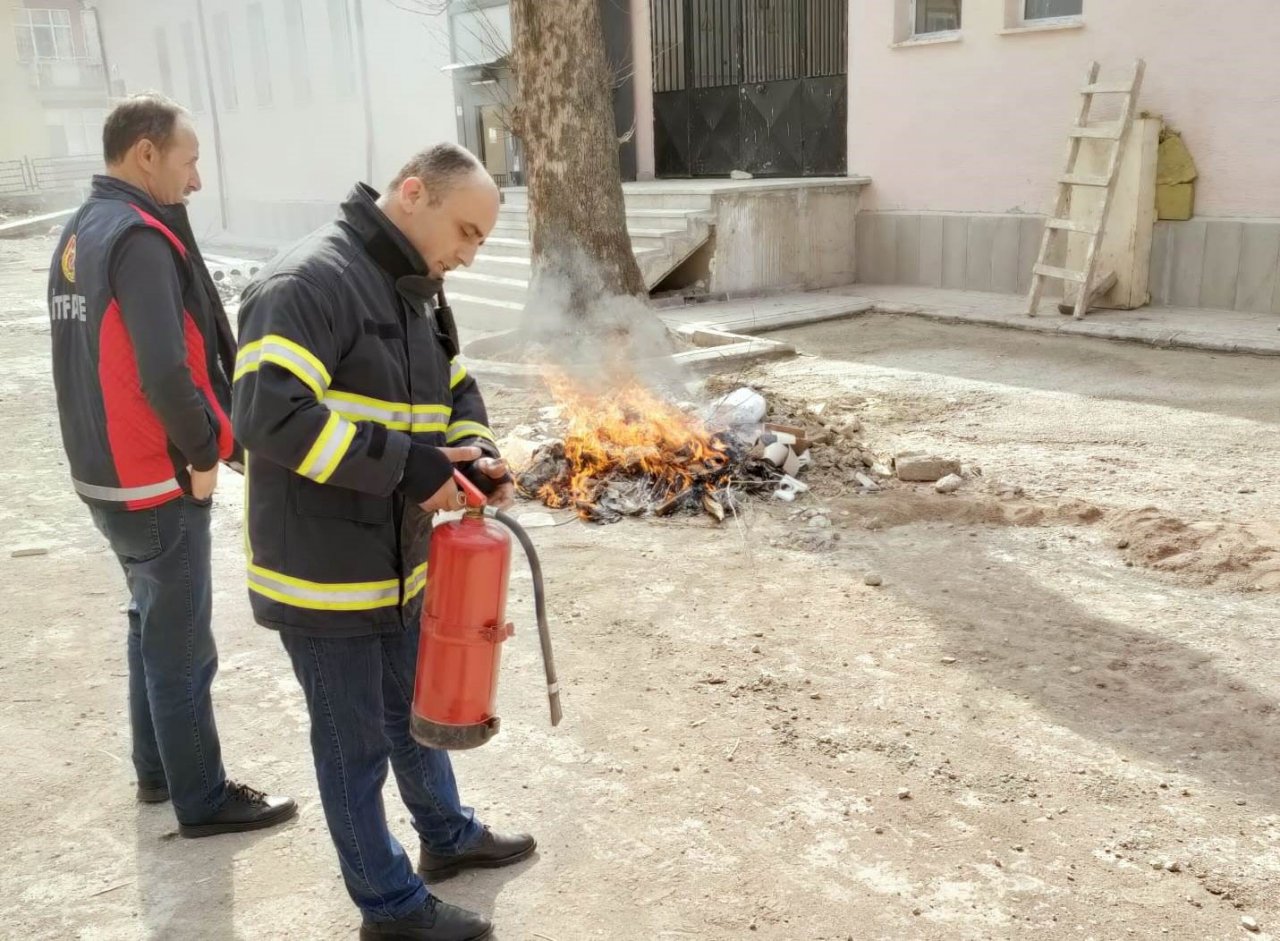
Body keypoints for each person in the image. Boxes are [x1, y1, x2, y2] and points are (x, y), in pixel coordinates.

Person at [232, 143, 532, 941]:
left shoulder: (419, 289)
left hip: (400, 559)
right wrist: (409, 466)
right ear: (412, 194)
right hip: (323, 574)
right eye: (464, 232)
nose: (468, 256)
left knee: (418, 710)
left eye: (479, 241)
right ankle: (389, 907)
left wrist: (477, 456)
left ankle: (447, 836)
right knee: (353, 745)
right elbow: (269, 417)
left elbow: (455, 384)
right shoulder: (306, 283)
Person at [47, 93, 296, 837]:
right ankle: (204, 796)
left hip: (102, 473)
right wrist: (201, 453)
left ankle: (158, 772)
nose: (195, 181)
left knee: (149, 623)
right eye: (188, 162)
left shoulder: (80, 230)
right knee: (184, 645)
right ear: (146, 153)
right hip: (153, 475)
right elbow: (164, 371)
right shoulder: (140, 238)